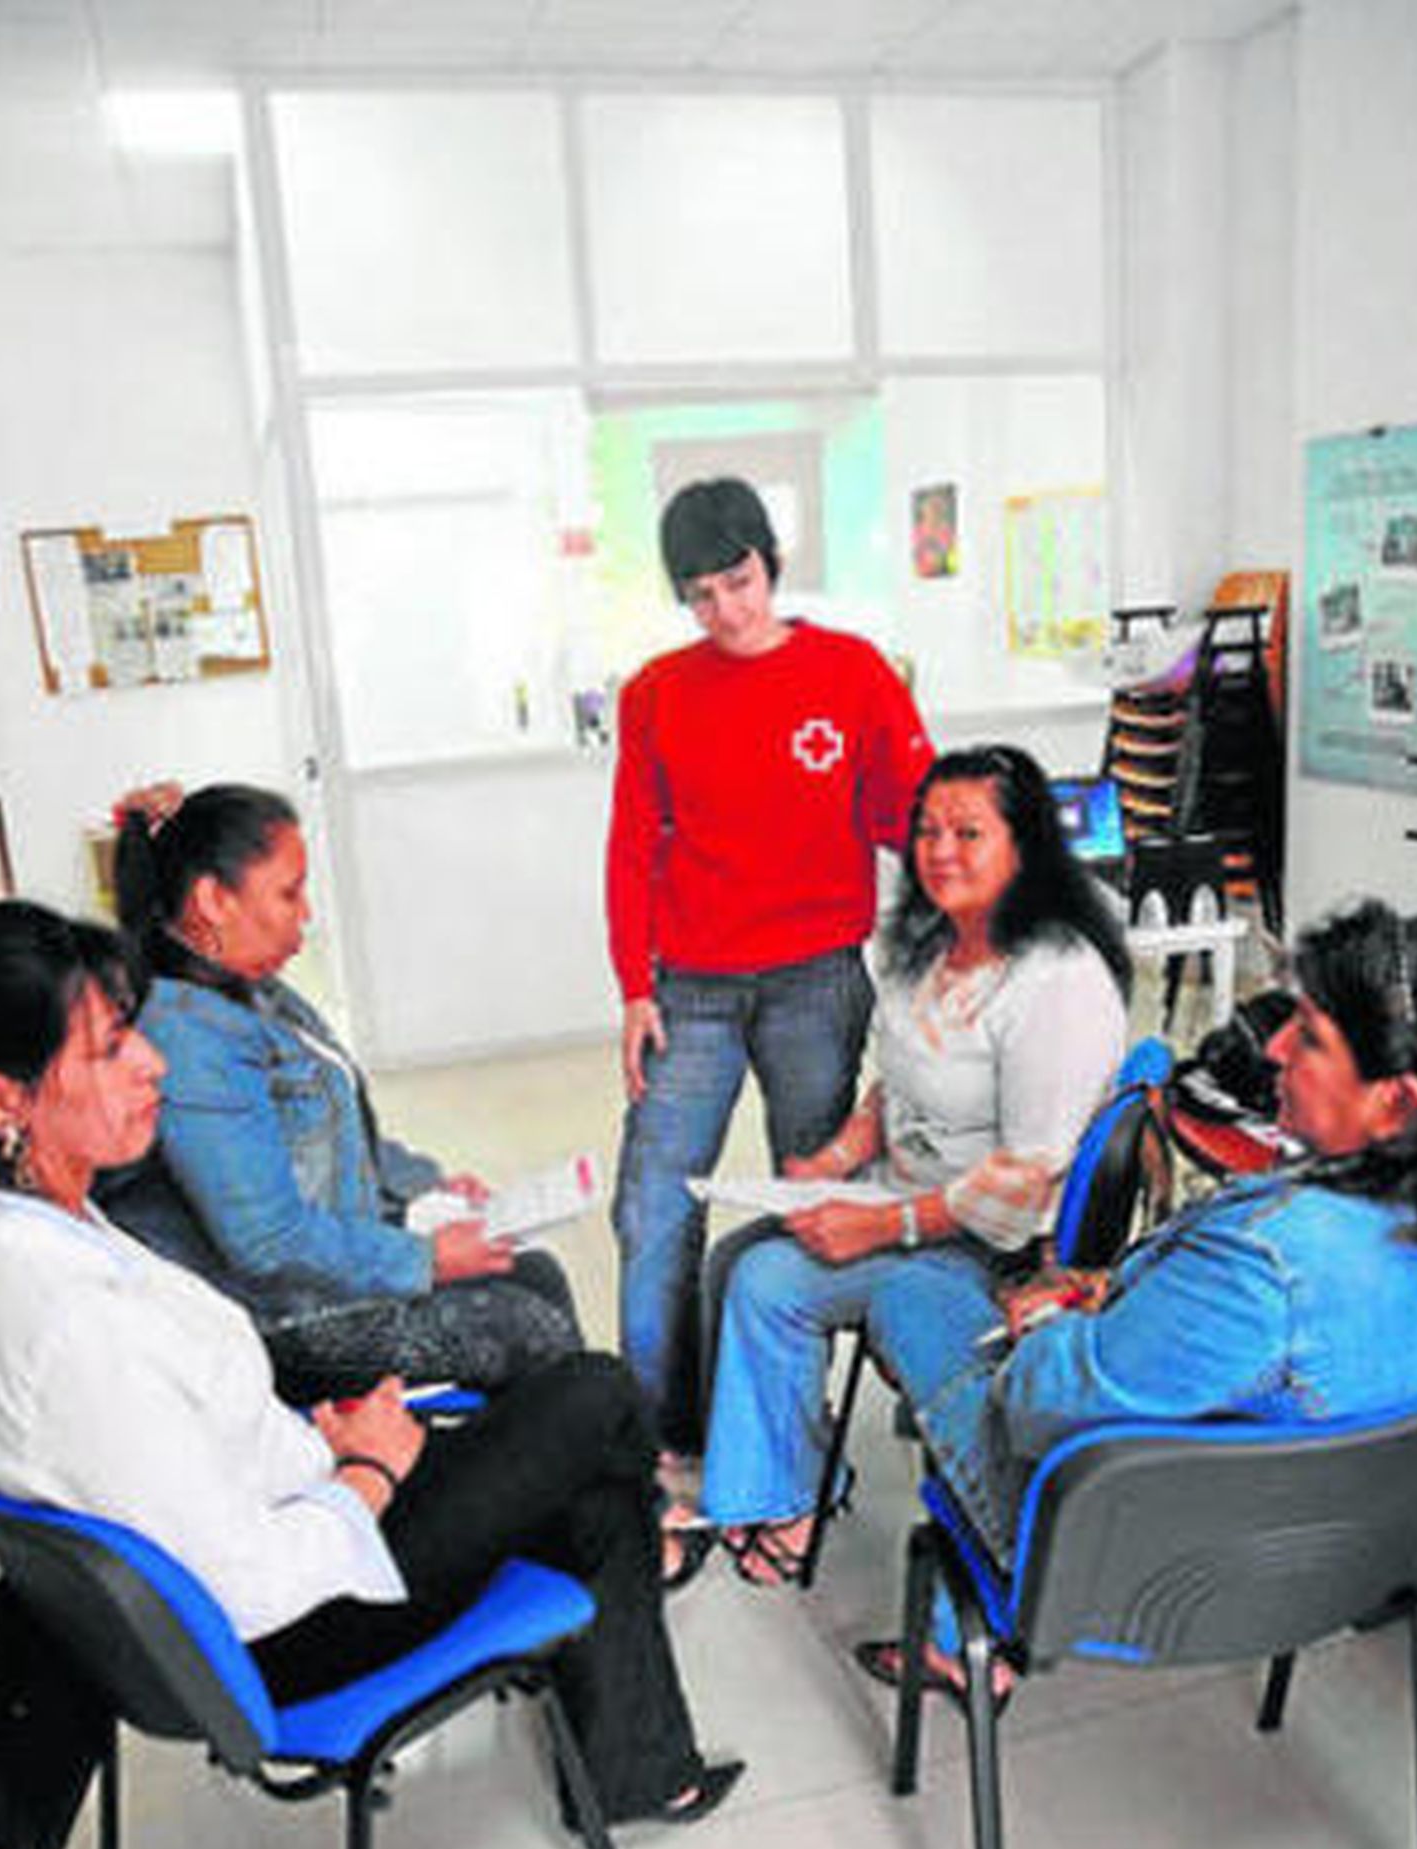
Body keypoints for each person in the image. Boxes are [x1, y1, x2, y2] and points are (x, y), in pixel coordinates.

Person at [0, 901, 742, 1826]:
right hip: (296, 1621)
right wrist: (368, 1470)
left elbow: (172, 1442)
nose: (153, 1063)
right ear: (0, 1100)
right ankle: (634, 1726)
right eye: (111, 1049)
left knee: (581, 1481)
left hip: (282, 1515)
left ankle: (637, 1760)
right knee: (598, 1399)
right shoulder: (68, 1324)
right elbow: (246, 1580)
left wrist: (316, 1441)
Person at [856, 898, 1417, 1701]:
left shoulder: (1268, 1264)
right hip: (1339, 1571)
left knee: (913, 1294)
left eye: (1308, 1035)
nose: (1272, 1045)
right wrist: (1127, 1300)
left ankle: (965, 1647)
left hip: (1150, 1570)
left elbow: (1038, 1408)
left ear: (1399, 1101)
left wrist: (1054, 1332)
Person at [695, 744, 1132, 1585]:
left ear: (1026, 845)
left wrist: (880, 1224)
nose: (939, 850)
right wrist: (835, 1157)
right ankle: (792, 1489)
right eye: (928, 830)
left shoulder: (1058, 981)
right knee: (743, 1261)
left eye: (969, 832)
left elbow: (1028, 1174)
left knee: (766, 1281)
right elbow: (892, 1088)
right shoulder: (929, 946)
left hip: (989, 1238)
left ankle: (796, 1497)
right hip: (903, 1198)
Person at [606, 477, 935, 1460]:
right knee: (654, 1206)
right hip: (690, 990)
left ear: (772, 564)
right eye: (699, 595)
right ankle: (665, 1441)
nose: (725, 612)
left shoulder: (853, 672)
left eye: (738, 582)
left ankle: (793, 1422)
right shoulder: (655, 694)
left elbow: (910, 819)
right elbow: (632, 848)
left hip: (817, 981)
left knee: (816, 1199)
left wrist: (962, 945)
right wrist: (633, 987)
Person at [101, 783, 582, 1404]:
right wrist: (423, 1259)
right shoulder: (187, 1038)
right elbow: (267, 1245)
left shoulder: (253, 990)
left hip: (324, 1276)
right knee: (525, 1329)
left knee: (534, 1272)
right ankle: (574, 1478)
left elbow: (330, 1124)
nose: (305, 914)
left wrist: (426, 1186)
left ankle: (601, 1484)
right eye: (288, 892)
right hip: (278, 1325)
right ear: (213, 900)